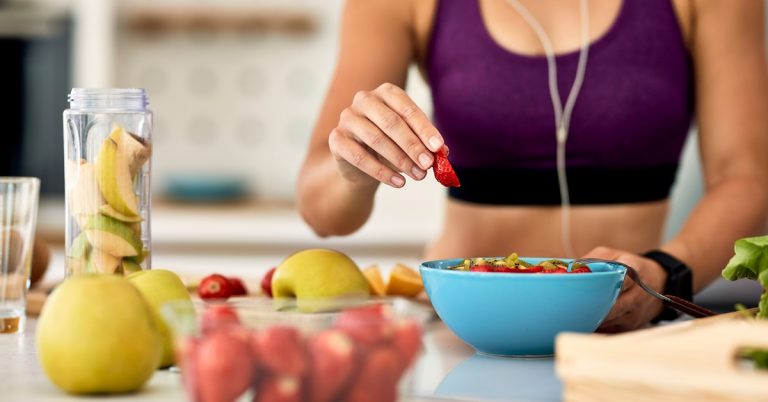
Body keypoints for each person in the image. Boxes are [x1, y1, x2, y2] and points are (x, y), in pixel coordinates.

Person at [296, 0, 768, 332]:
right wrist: (351, 167)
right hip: (462, 335)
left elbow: (747, 176)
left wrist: (666, 273)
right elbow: (323, 212)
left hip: (625, 331)